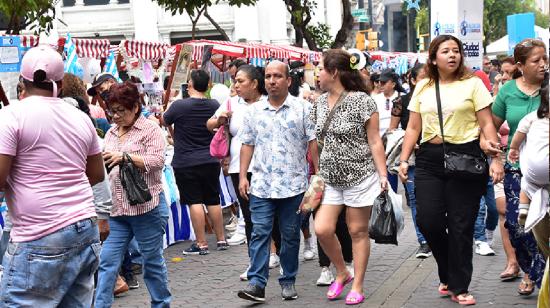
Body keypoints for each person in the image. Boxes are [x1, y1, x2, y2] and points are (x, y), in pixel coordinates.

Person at [398, 35, 503, 305]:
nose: (452, 55)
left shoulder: (474, 84)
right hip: (430, 159)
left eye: (456, 51)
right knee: (427, 220)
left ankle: (459, 286)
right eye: (445, 51)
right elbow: (413, 127)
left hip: (466, 157)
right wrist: (403, 159)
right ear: (434, 58)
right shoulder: (423, 86)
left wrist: (496, 158)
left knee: (461, 225)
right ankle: (447, 271)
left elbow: (487, 124)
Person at [0, 46, 105, 306]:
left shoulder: (10, 116)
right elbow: (96, 173)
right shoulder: (81, 118)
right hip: (83, 225)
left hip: (40, 233)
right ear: (60, 82)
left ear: (22, 81)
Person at [311, 49, 388, 305]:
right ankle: (342, 272)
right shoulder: (319, 103)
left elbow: (375, 141)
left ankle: (358, 284)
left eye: (321, 68)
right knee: (322, 229)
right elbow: (317, 140)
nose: (317, 74)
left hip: (360, 176)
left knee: (357, 231)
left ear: (333, 72)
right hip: (331, 178)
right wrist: (317, 171)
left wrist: (383, 174)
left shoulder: (363, 101)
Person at [236, 61, 318, 303]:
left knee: (290, 234)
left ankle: (288, 279)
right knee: (260, 232)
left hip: (293, 185)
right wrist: (243, 176)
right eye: (268, 76)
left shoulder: (303, 109)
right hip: (261, 185)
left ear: (288, 80)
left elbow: (313, 142)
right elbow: (247, 143)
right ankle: (257, 283)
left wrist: (318, 175)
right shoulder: (253, 111)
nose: (272, 81)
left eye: (277, 76)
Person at [94, 81, 170, 307]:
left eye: (120, 111)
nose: (115, 116)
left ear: (135, 107)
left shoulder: (150, 129)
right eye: (112, 111)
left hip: (146, 209)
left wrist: (125, 158)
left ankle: (161, 303)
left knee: (152, 262)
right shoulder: (111, 133)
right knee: (107, 261)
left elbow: (157, 162)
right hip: (118, 211)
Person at [492, 38, 548, 296]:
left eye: (545, 59)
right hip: (517, 168)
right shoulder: (507, 91)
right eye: (536, 61)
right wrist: (495, 157)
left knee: (544, 226)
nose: (543, 65)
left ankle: (539, 276)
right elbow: (489, 127)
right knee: (516, 224)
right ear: (520, 65)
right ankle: (535, 270)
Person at [207, 65, 267, 278]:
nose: (236, 86)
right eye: (235, 81)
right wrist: (220, 120)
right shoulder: (232, 103)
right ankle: (255, 262)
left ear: (255, 83)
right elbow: (209, 124)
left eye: (240, 81)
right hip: (238, 169)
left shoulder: (268, 104)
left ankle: (274, 253)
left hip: (266, 168)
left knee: (269, 217)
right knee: (250, 216)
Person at [163, 69, 228, 255]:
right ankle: (221, 239)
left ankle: (201, 243)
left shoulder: (179, 106)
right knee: (213, 199)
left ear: (189, 84)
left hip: (186, 160)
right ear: (208, 85)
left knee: (195, 201)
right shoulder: (214, 104)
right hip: (210, 159)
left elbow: (164, 120)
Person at [389, 63, 432, 259]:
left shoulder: (438, 99)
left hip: (436, 155)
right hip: (412, 158)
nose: (426, 80)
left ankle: (437, 235)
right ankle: (423, 241)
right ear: (413, 80)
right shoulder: (402, 102)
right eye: (422, 77)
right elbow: (392, 132)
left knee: (435, 200)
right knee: (415, 200)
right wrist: (408, 140)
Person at [508, 84, 549, 259]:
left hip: (534, 177)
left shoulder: (532, 118)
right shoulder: (533, 118)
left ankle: (523, 208)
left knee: (526, 183)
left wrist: (513, 148)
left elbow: (518, 136)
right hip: (538, 176)